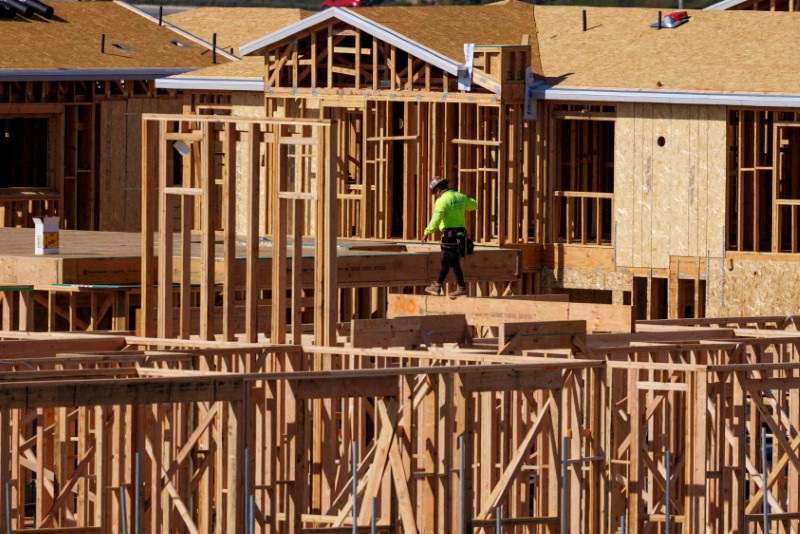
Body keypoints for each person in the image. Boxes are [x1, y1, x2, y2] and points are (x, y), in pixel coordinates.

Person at [421, 176, 477, 297]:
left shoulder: (442, 200)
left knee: (452, 263)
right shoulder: (460, 196)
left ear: (439, 189)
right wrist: (467, 197)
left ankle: (461, 287)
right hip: (461, 236)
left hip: (449, 236)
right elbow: (474, 205)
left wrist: (427, 232)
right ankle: (437, 286)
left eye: (435, 192)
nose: (436, 195)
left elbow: (436, 219)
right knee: (446, 262)